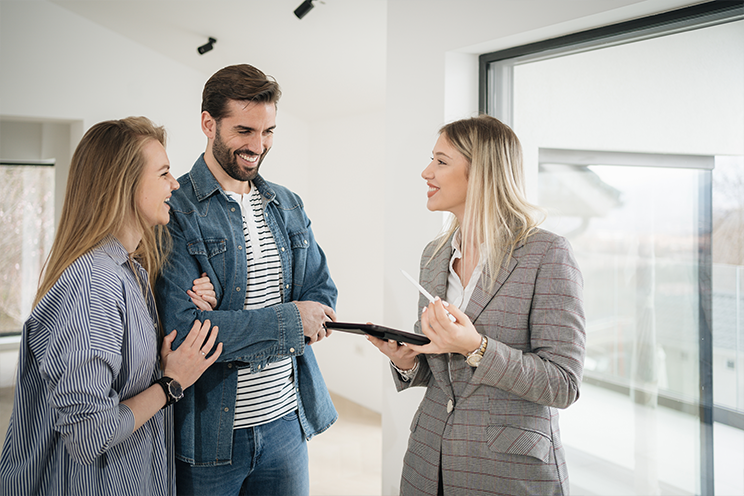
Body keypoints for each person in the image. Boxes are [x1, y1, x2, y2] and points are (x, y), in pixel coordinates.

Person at [0, 117, 223, 496]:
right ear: (126, 184)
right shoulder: (92, 285)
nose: (176, 183)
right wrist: (171, 384)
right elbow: (90, 434)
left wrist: (191, 304)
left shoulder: (129, 270)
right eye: (165, 173)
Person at [369, 115, 586, 496]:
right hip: (428, 464)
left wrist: (476, 347)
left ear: (481, 173)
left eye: (440, 161)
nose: (426, 172)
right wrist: (407, 362)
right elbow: (443, 374)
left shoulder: (547, 254)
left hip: (508, 473)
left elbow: (563, 385)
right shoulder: (434, 255)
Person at [154, 64, 338, 496]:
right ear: (208, 123)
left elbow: (322, 298)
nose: (258, 146)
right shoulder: (174, 209)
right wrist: (292, 320)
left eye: (268, 131)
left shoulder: (288, 204)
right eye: (244, 131)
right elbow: (184, 334)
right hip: (211, 435)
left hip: (286, 425)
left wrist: (226, 321)